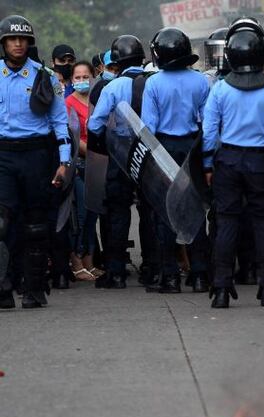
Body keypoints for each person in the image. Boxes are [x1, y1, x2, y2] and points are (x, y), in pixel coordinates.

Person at [201, 18, 264, 308]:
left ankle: (220, 289)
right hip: (259, 162)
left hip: (227, 161)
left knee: (227, 223)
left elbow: (209, 131)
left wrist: (207, 164)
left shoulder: (220, 89)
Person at [0, 15, 71, 309]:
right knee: (2, 224)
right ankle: (4, 288)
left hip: (37, 156)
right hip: (3, 156)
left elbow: (59, 120)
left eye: (23, 39)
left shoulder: (46, 77)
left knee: (36, 225)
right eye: (12, 39)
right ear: (3, 43)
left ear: (30, 43)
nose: (18, 44)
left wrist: (64, 161)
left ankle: (34, 288)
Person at [141, 27, 211, 294]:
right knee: (194, 211)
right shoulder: (200, 81)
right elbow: (207, 122)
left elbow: (148, 126)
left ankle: (170, 276)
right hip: (193, 147)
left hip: (164, 147)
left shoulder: (154, 83)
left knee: (165, 213)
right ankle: (201, 274)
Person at [87, 34, 149, 290]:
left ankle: (116, 273)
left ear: (117, 60)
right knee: (150, 211)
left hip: (121, 154)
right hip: (149, 154)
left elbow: (94, 124)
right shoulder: (153, 83)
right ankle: (152, 267)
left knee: (117, 212)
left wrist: (107, 145)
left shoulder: (112, 87)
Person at [64, 60, 101, 282]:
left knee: (92, 215)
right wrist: (96, 151)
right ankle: (76, 263)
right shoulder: (68, 103)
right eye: (77, 77)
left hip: (97, 166)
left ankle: (89, 261)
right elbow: (73, 138)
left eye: (85, 76)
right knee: (79, 215)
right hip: (79, 165)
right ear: (71, 80)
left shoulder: (97, 101)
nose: (81, 81)